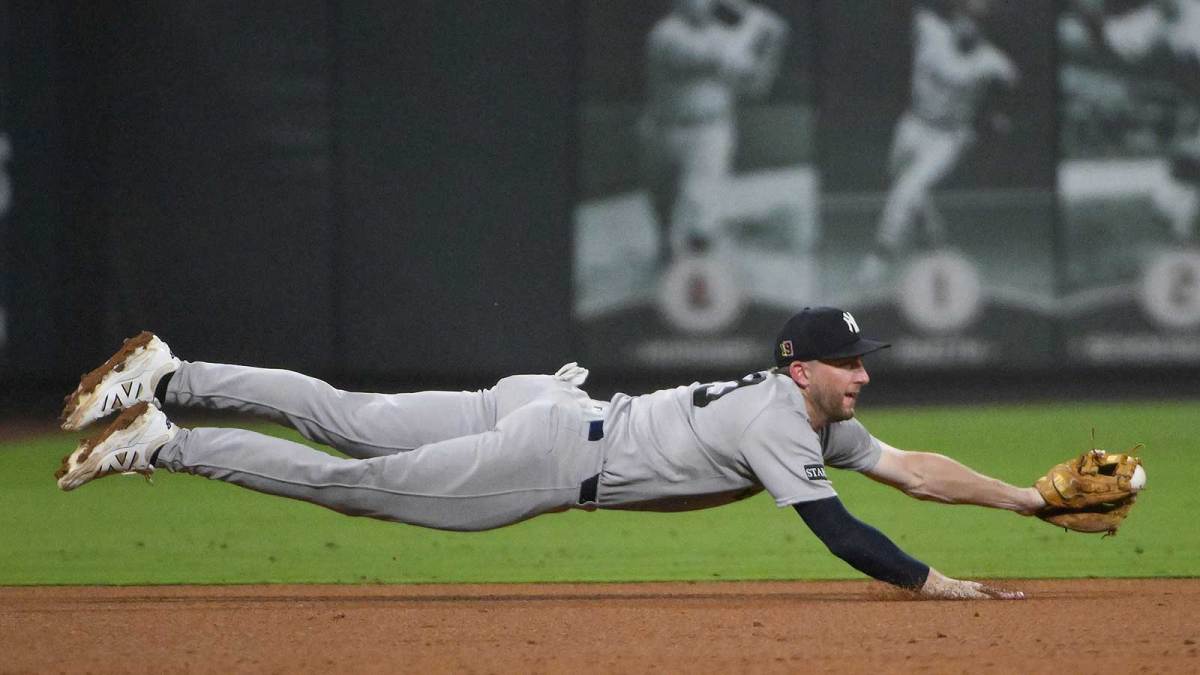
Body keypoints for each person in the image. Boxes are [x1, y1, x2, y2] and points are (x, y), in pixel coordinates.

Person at [57, 307, 1045, 600]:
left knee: (345, 415)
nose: (862, 376)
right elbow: (839, 531)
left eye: (862, 362)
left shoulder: (809, 415)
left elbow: (910, 468)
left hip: (554, 402)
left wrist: (1027, 504)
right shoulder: (780, 421)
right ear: (801, 369)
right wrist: (943, 587)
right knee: (345, 479)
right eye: (847, 364)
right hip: (547, 457)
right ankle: (164, 441)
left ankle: (174, 373)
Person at [860, 0, 1019, 285]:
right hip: (912, 125)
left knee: (907, 190)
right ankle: (937, 246)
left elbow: (1013, 90)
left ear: (985, 28)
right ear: (954, 16)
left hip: (948, 138)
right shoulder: (930, 29)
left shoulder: (992, 60)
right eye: (965, 17)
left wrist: (996, 116)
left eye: (977, 21)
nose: (969, 25)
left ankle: (880, 256)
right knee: (906, 186)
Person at [641, 0, 787, 263]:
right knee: (663, 200)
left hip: (710, 130)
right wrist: (755, 24)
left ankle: (698, 265)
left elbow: (754, 85)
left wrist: (773, 44)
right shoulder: (666, 34)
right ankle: (666, 247)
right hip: (664, 128)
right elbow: (724, 57)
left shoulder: (719, 34)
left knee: (702, 204)